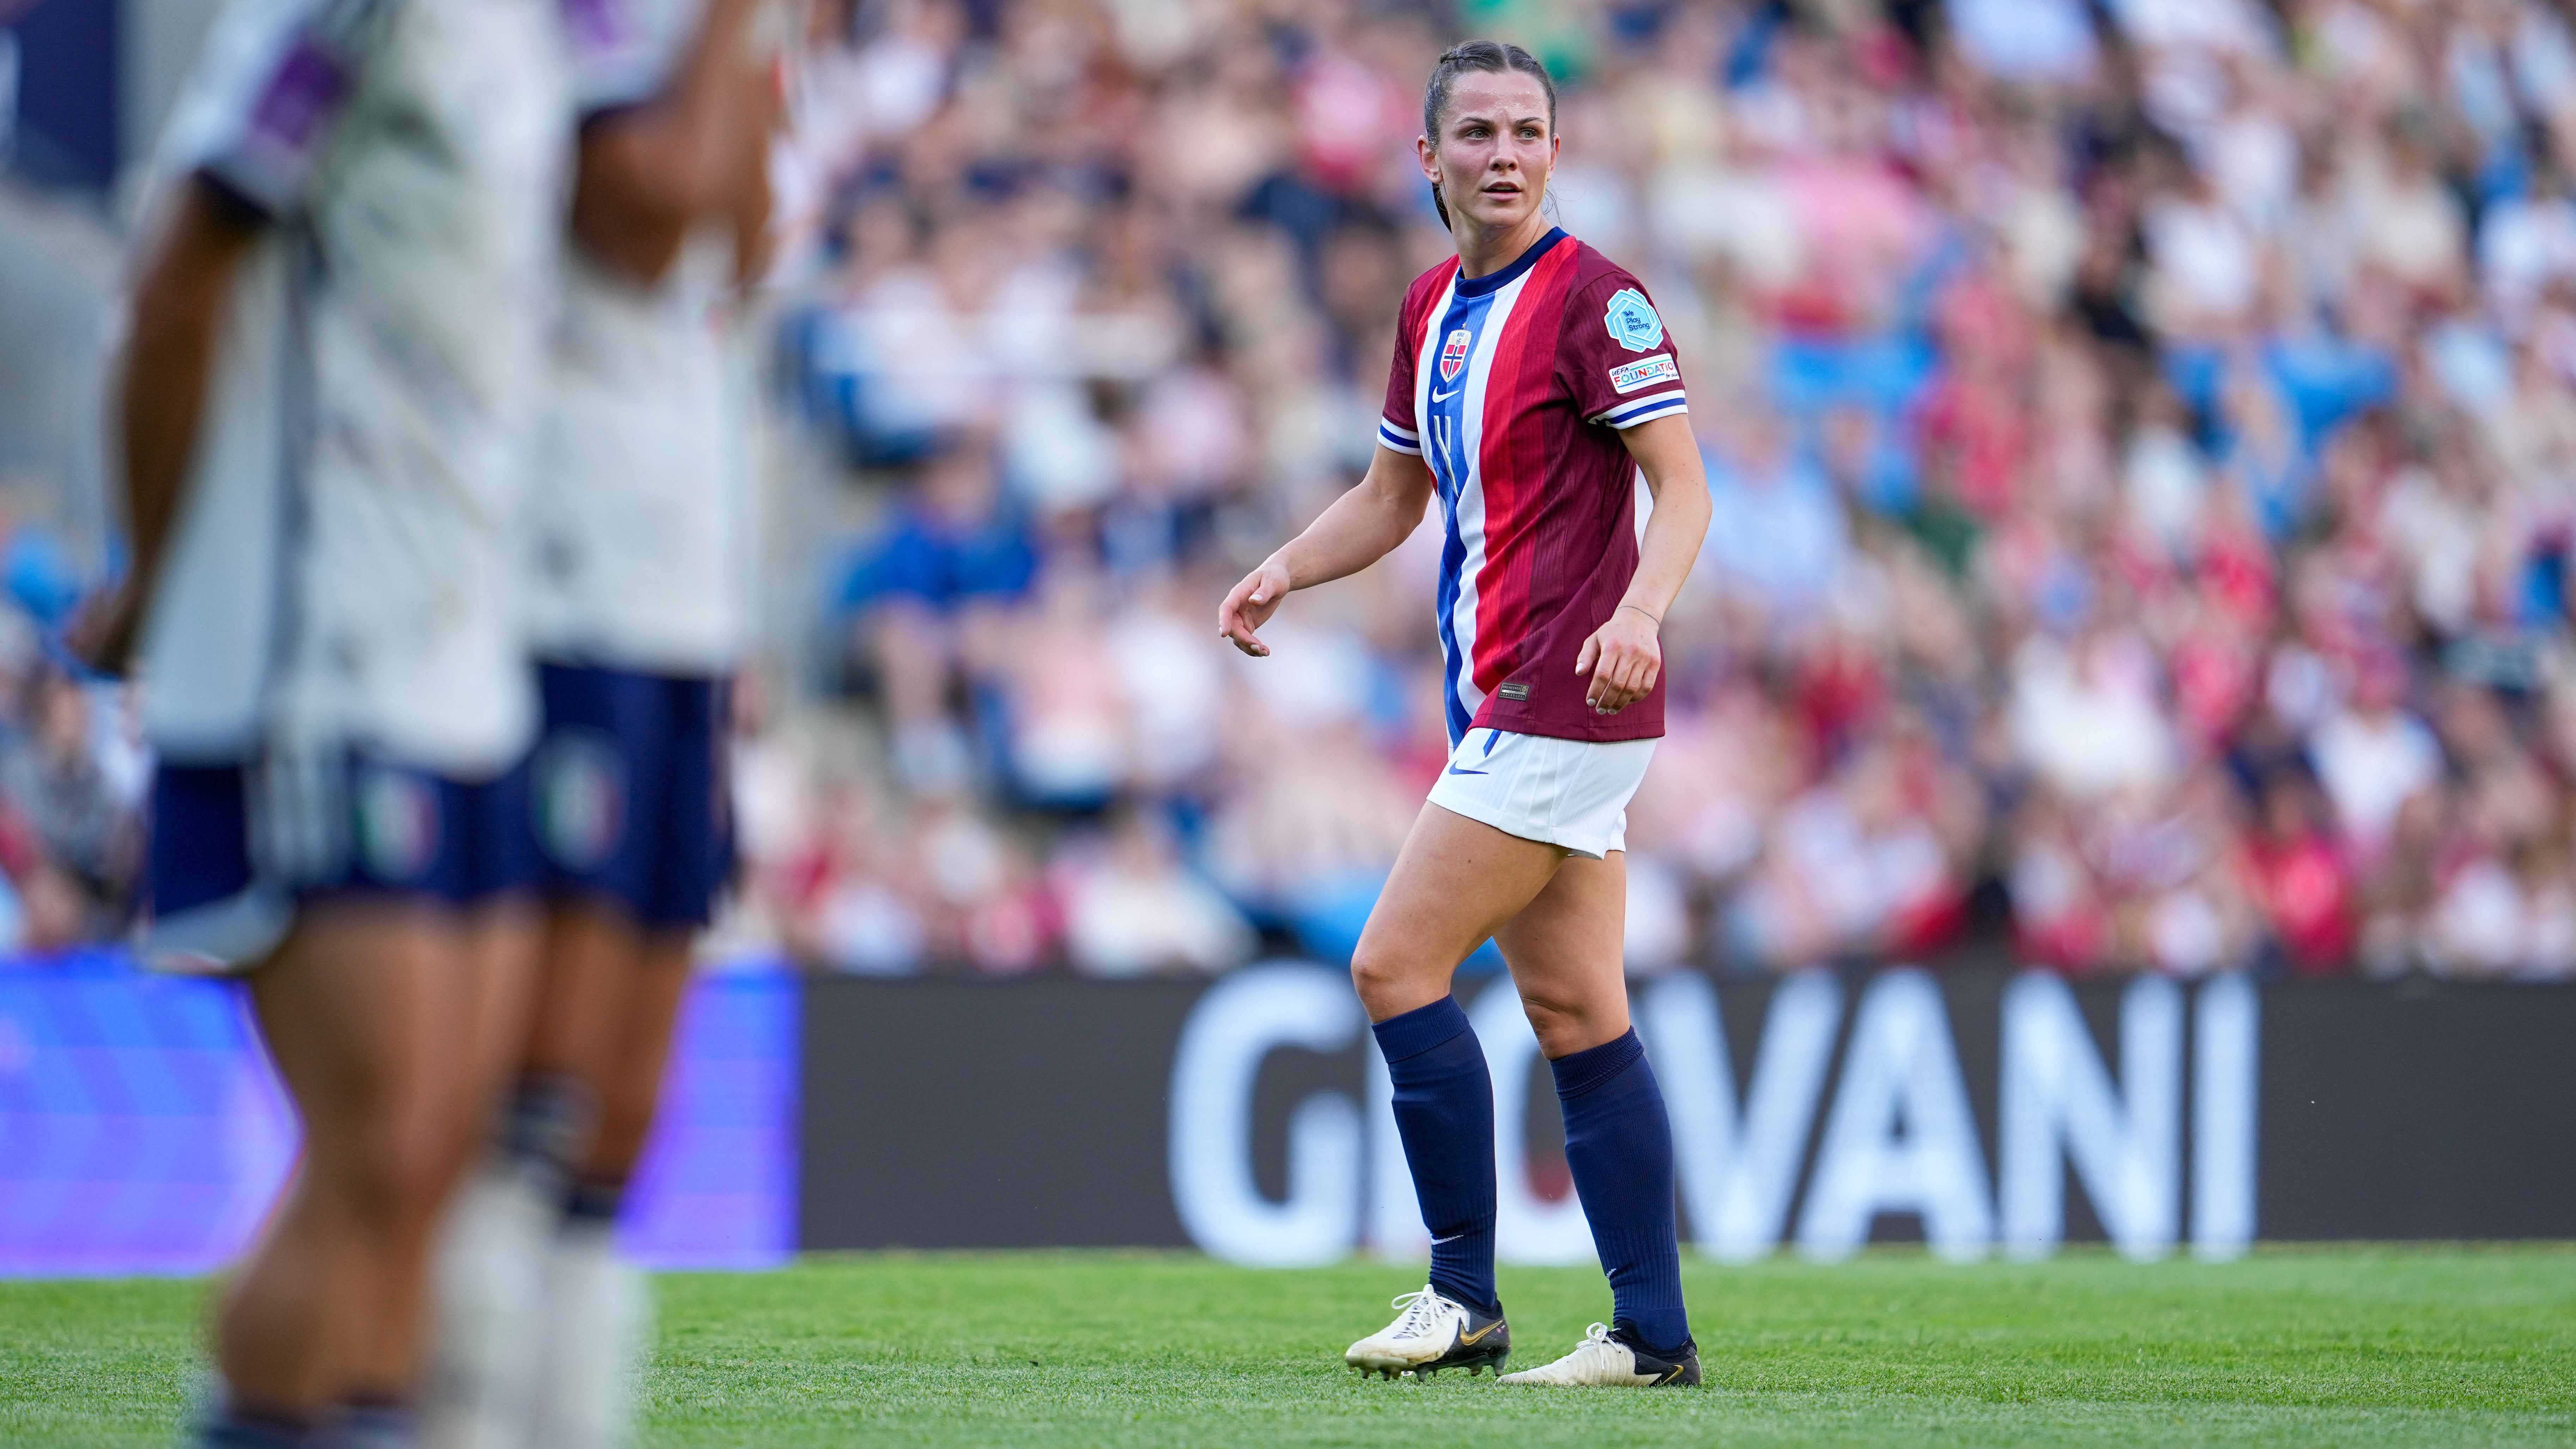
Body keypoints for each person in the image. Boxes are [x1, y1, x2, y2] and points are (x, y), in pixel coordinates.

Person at [76, 0, 573, 1442]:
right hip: (324, 657)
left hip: (466, 656)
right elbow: (180, 274)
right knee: (377, 1150)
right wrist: (157, 578)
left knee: (434, 1168)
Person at [1216, 40, 1713, 1389]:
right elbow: (1391, 497)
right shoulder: (1432, 305)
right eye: (1479, 132)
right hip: (1505, 700)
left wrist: (1641, 613)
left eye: (1529, 131)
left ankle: (1462, 1293)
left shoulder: (1596, 300)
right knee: (1574, 1006)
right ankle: (1651, 1334)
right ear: (1426, 158)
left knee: (1392, 964)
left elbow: (1685, 484)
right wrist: (1280, 569)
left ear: (1558, 151)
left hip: (1567, 691)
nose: (1506, 154)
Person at [424, 1, 774, 1445]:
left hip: (670, 582)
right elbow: (640, 214)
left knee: (606, 1140)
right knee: (527, 1112)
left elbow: (739, 249)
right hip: (549, 565)